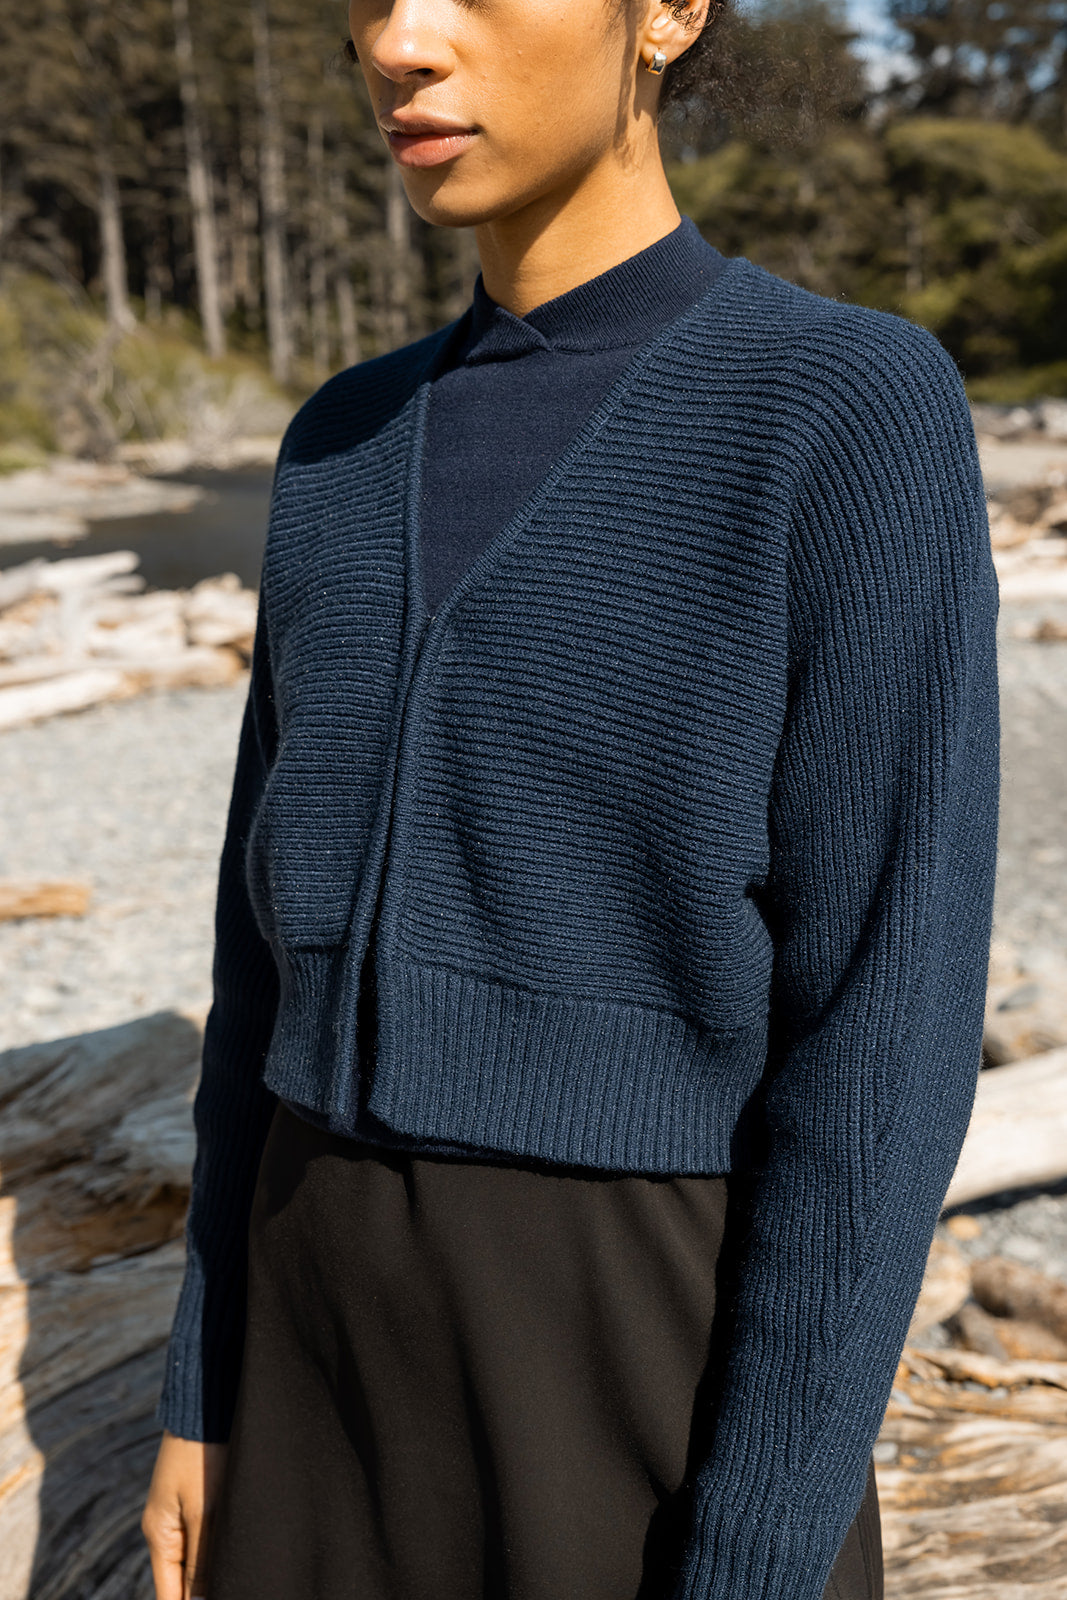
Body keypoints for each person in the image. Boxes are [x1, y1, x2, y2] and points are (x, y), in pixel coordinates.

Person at [140, 0, 1001, 1597]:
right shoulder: (338, 446)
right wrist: (205, 1379)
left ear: (667, 12)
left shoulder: (841, 409)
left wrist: (755, 1557)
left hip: (636, 1380)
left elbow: (884, 1043)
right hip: (309, 1358)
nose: (401, 42)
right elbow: (256, 970)